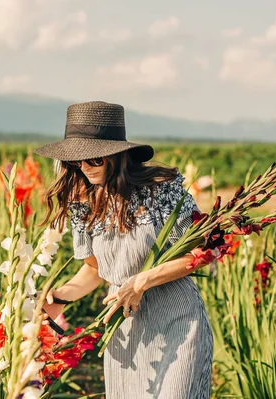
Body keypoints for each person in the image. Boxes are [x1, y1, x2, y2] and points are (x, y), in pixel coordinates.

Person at [33, 101, 213, 398]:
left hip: (178, 321)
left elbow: (201, 252)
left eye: (93, 160)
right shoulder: (83, 204)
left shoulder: (162, 189)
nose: (84, 168)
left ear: (117, 155)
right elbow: (94, 270)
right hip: (125, 330)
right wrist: (60, 297)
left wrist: (142, 281)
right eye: (77, 161)